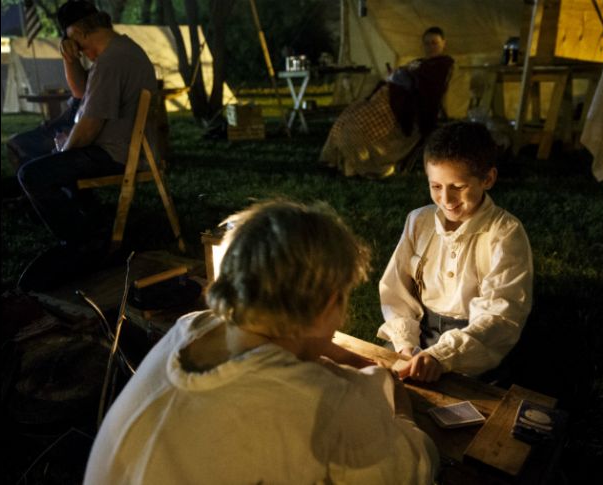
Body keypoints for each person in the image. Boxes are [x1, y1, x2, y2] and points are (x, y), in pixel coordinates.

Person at [83, 200, 439, 484]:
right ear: (328, 303)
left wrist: (349, 358)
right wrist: (400, 406)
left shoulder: (192, 327)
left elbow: (293, 352)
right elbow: (414, 468)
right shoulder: (319, 403)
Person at [16, 0, 157, 290]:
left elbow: (90, 128)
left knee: (33, 174)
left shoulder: (111, 61)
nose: (80, 53)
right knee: (51, 164)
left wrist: (63, 150)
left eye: (77, 45)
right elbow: (84, 95)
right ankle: (92, 230)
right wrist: (71, 61)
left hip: (115, 153)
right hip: (120, 147)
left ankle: (81, 244)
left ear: (79, 32)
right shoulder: (119, 51)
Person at [378, 121, 533, 382]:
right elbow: (396, 290)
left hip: (475, 340)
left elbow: (501, 314)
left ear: (488, 179)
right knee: (385, 385)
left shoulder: (504, 233)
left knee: (464, 405)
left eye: (458, 187)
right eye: (436, 187)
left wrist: (443, 356)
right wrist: (406, 345)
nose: (447, 200)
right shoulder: (419, 221)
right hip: (421, 331)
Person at [320, 26, 454, 178]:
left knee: (360, 126)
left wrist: (405, 78)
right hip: (384, 98)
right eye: (427, 43)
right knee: (350, 114)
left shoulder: (442, 65)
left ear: (443, 43)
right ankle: (335, 161)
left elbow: (427, 91)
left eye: (434, 43)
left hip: (397, 107)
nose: (430, 47)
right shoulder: (418, 62)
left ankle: (356, 164)